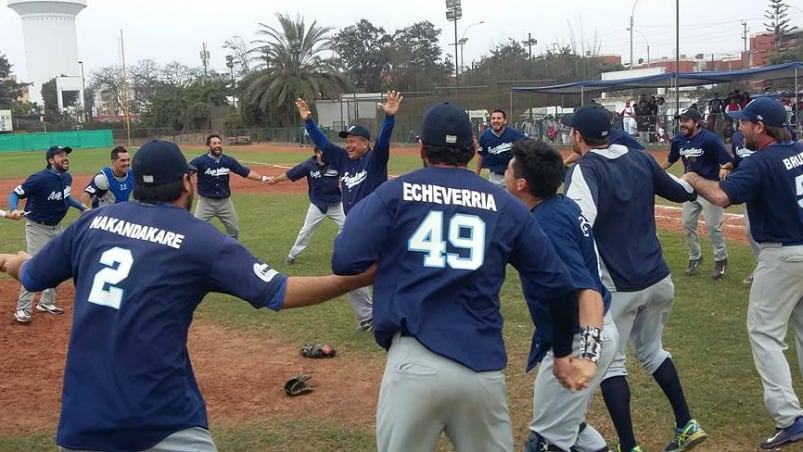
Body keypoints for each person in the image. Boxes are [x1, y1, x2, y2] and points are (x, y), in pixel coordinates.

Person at [0, 139, 375, 452]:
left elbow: (31, 273)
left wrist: (7, 260)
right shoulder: (198, 238)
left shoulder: (91, 224)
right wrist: (354, 279)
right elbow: (281, 291)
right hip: (164, 420)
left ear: (135, 182)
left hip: (84, 422)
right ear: (186, 181)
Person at [331, 101, 585, 452]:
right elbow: (558, 285)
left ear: (421, 149)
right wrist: (560, 352)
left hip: (413, 361)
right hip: (480, 365)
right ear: (473, 150)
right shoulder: (506, 204)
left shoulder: (395, 193)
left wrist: (395, 256)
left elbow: (344, 258)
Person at [563, 104, 707, 452]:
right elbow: (683, 191)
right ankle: (686, 423)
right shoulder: (638, 157)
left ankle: (629, 446)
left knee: (612, 363)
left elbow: (578, 222)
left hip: (618, 283)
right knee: (652, 349)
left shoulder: (587, 168)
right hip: (657, 276)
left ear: (578, 136)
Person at [682, 97, 803, 450]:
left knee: (764, 332)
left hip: (783, 254)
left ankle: (789, 417)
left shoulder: (762, 161)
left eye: (744, 122)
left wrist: (692, 176)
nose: (740, 127)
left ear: (760, 126)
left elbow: (720, 196)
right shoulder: (797, 148)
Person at [507, 139, 619, 452]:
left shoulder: (547, 224)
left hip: (580, 336)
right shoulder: (559, 206)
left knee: (545, 440)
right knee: (573, 427)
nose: (503, 173)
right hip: (583, 331)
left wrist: (588, 356)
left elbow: (587, 291)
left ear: (521, 184)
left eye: (508, 168)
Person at [295, 90, 404, 332]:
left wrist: (389, 118)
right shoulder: (343, 159)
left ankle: (394, 314)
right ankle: (368, 317)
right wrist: (308, 121)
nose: (349, 144)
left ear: (365, 144)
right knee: (347, 268)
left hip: (379, 225)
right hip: (355, 225)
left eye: (353, 140)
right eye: (347, 140)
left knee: (385, 270)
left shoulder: (375, 160)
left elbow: (384, 142)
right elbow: (323, 144)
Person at [8, 145, 87, 324]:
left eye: (66, 155)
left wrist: (82, 208)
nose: (65, 157)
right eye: (60, 155)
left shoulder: (67, 177)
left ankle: (46, 303)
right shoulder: (39, 179)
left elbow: (66, 198)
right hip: (37, 228)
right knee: (33, 264)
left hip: (56, 227)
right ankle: (22, 308)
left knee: (59, 262)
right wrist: (14, 209)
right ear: (51, 160)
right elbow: (15, 194)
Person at [661, 108, 733, 279]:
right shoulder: (679, 140)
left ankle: (721, 259)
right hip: (689, 188)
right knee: (687, 224)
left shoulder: (710, 140)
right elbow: (671, 159)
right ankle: (695, 256)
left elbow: (728, 161)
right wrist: (655, 171)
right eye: (681, 121)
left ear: (696, 122)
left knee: (713, 227)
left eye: (686, 121)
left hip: (710, 189)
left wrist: (724, 168)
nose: (682, 124)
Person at [266, 147, 343, 265]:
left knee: (347, 225)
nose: (327, 155)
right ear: (317, 153)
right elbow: (290, 174)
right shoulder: (308, 165)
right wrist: (275, 180)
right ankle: (292, 255)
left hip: (335, 203)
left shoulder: (335, 163)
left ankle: (341, 250)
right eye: (323, 152)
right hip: (318, 204)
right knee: (306, 230)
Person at [189, 133, 270, 240]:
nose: (218, 145)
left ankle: (228, 250)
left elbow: (245, 171)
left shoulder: (228, 161)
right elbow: (186, 171)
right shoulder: (200, 161)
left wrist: (263, 178)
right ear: (208, 147)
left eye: (219, 143)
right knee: (196, 230)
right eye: (214, 143)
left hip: (225, 203)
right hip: (206, 203)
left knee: (234, 230)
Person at [474, 109, 526, 186]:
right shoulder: (485, 136)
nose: (496, 121)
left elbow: (528, 148)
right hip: (493, 177)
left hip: (511, 177)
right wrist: (476, 175)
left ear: (505, 121)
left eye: (499, 118)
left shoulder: (513, 134)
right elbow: (480, 155)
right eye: (493, 118)